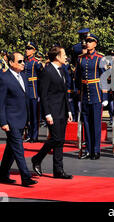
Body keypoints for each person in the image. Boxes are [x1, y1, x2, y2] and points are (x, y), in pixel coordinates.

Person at [0, 52, 37, 187]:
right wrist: (3, 122)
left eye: (23, 61)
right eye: (19, 61)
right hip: (11, 120)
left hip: (22, 118)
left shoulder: (23, 76)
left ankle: (2, 174)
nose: (23, 63)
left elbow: (25, 99)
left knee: (11, 149)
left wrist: (28, 119)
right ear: (11, 63)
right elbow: (0, 102)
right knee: (18, 149)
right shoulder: (4, 78)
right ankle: (26, 177)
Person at [32, 45, 73, 179]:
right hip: (52, 111)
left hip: (62, 109)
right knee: (56, 138)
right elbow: (43, 95)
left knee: (60, 141)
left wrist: (69, 111)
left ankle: (58, 170)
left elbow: (64, 93)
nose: (66, 57)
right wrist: (47, 114)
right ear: (57, 57)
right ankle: (37, 158)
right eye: (64, 54)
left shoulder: (61, 70)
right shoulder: (47, 71)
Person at [75, 34, 108, 160]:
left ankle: (96, 150)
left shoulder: (100, 58)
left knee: (96, 124)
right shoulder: (81, 59)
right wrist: (78, 95)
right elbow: (77, 78)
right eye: (87, 41)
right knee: (87, 124)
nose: (87, 43)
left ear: (95, 44)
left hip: (96, 94)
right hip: (85, 94)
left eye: (90, 41)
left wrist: (104, 96)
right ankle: (88, 150)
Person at [24, 41, 43, 143]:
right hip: (26, 90)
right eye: (26, 49)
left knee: (34, 115)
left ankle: (34, 136)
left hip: (34, 91)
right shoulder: (25, 61)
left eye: (29, 49)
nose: (27, 50)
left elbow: (41, 79)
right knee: (28, 115)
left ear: (34, 51)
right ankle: (28, 134)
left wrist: (40, 93)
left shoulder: (36, 62)